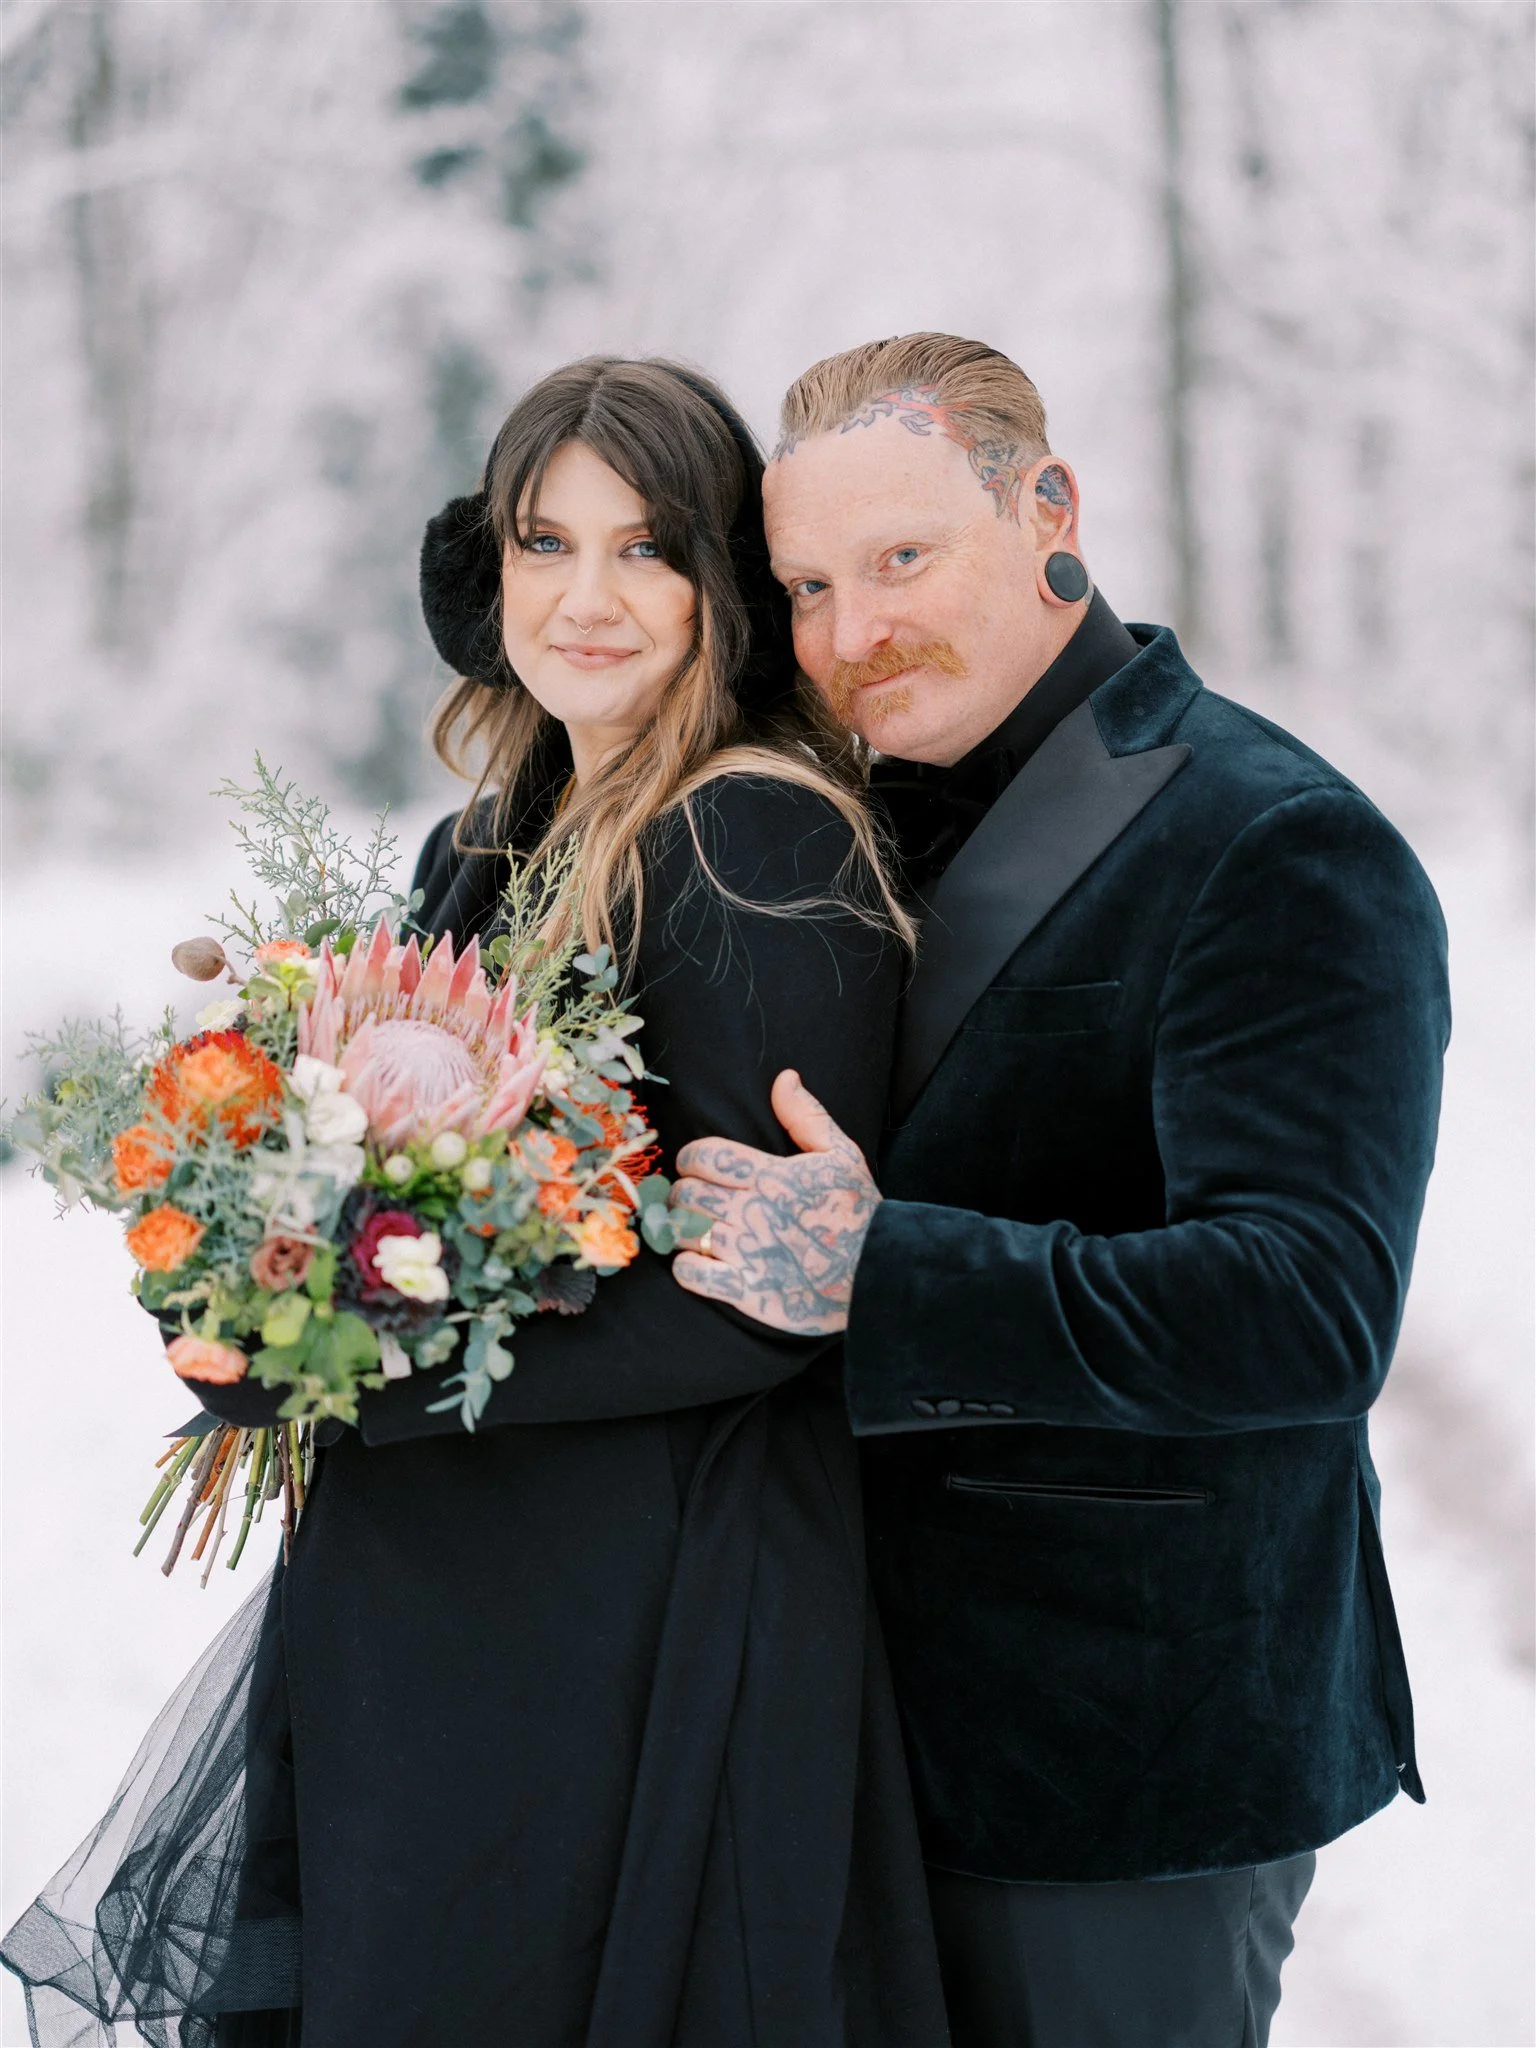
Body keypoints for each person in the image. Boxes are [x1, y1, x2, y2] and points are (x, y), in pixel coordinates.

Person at [1, 358, 951, 2048]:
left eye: (645, 549)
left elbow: (754, 1302)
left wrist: (366, 1385)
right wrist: (255, 1271)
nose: (585, 598)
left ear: (720, 583)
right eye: (542, 541)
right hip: (443, 1596)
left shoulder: (753, 841)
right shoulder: (495, 832)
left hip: (629, 1614)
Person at [670, 331, 1450, 2048]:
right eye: (806, 585)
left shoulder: (1274, 839)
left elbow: (1304, 1308)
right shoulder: (821, 818)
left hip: (1122, 1757)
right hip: (834, 1731)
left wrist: (889, 1276)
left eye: (900, 559)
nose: (851, 631)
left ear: (1049, 511)